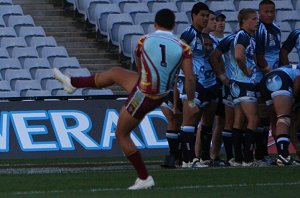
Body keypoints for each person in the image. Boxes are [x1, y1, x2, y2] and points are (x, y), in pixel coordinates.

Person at [53, 9, 197, 190]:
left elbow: (139, 65)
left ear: (155, 24)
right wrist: (190, 102)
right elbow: (190, 78)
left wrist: (144, 81)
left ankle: (144, 177)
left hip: (143, 95)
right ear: (173, 25)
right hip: (158, 93)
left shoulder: (144, 40)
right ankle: (72, 82)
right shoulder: (183, 47)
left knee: (121, 134)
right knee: (115, 73)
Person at [178, 2, 210, 167]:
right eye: (202, 15)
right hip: (189, 81)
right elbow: (177, 53)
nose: (205, 18)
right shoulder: (189, 33)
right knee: (189, 118)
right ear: (194, 16)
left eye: (207, 15)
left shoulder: (199, 35)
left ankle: (190, 158)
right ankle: (188, 159)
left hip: (199, 82)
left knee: (194, 119)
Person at [229, 8, 259, 166]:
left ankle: (239, 158)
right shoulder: (242, 35)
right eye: (253, 19)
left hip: (237, 83)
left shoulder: (248, 37)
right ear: (244, 21)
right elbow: (239, 55)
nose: (257, 21)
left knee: (239, 120)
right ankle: (248, 158)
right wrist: (246, 70)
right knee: (253, 119)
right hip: (243, 81)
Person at [254, 0, 281, 165]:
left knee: (272, 117)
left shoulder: (277, 29)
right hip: (261, 79)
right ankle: (259, 154)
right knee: (261, 116)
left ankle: (270, 153)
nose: (269, 14)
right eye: (266, 12)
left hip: (274, 79)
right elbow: (258, 56)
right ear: (260, 13)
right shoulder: (260, 30)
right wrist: (269, 72)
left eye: (272, 11)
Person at [260, 64, 300, 165]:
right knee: (284, 118)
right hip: (280, 79)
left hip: (266, 80)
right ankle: (284, 156)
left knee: (276, 121)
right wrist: (292, 99)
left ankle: (282, 155)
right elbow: (298, 80)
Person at [280, 28, 300, 160]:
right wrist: (287, 70)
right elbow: (283, 51)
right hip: (298, 78)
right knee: (294, 119)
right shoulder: (296, 33)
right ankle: (298, 151)